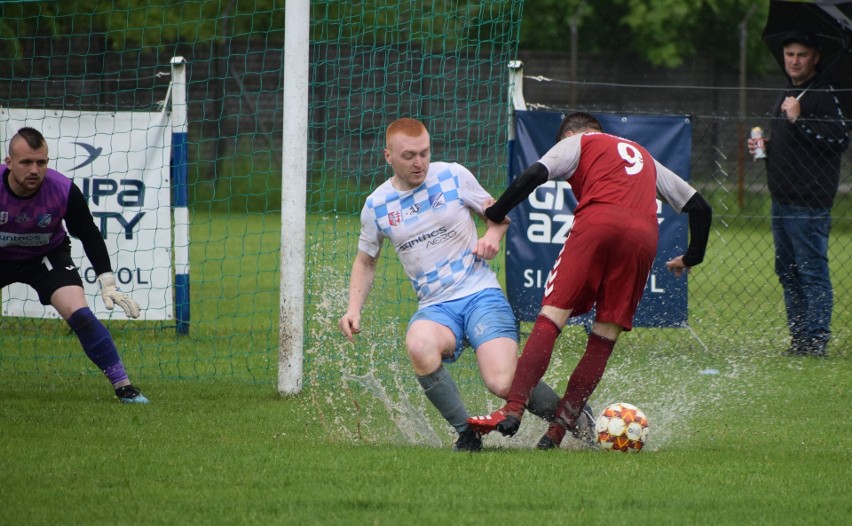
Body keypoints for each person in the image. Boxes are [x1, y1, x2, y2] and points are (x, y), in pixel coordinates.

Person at [467, 112, 712, 449]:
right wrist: (691, 256)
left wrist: (495, 213)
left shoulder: (577, 142)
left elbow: (536, 173)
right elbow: (700, 207)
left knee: (552, 318)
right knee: (603, 337)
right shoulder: (642, 155)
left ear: (569, 134)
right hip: (643, 238)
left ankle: (513, 411)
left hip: (597, 223)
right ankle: (557, 432)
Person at [338, 117, 578, 452]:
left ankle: (577, 420)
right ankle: (467, 433)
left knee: (501, 382)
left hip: (481, 295)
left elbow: (499, 215)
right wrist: (353, 309)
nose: (419, 162)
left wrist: (492, 237)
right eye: (409, 156)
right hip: (436, 309)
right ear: (388, 156)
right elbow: (366, 260)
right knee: (418, 343)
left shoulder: (452, 175)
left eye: (424, 152)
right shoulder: (376, 205)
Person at [0, 127, 148, 403]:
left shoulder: (63, 190)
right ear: (9, 163)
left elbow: (88, 232)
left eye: (41, 162)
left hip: (45, 256)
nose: (35, 169)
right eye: (26, 162)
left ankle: (124, 387)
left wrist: (107, 281)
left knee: (79, 313)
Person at [748, 31, 849, 357]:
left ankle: (816, 340)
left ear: (815, 57)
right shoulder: (789, 90)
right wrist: (765, 147)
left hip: (809, 202)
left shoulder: (826, 92)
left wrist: (799, 118)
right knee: (787, 271)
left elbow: (838, 140)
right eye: (789, 54)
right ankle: (800, 339)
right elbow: (791, 141)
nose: (793, 60)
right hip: (781, 198)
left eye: (801, 55)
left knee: (811, 272)